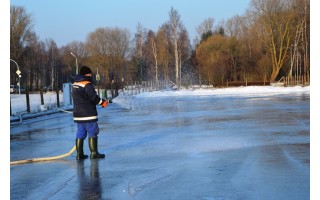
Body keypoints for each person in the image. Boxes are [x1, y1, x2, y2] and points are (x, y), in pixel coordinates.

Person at [72, 65, 108, 160]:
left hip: (78, 115)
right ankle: (94, 153)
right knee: (92, 131)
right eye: (89, 74)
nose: (91, 75)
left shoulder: (75, 84)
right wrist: (102, 102)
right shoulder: (87, 84)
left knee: (80, 132)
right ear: (85, 74)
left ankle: (79, 155)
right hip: (88, 114)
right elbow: (93, 98)